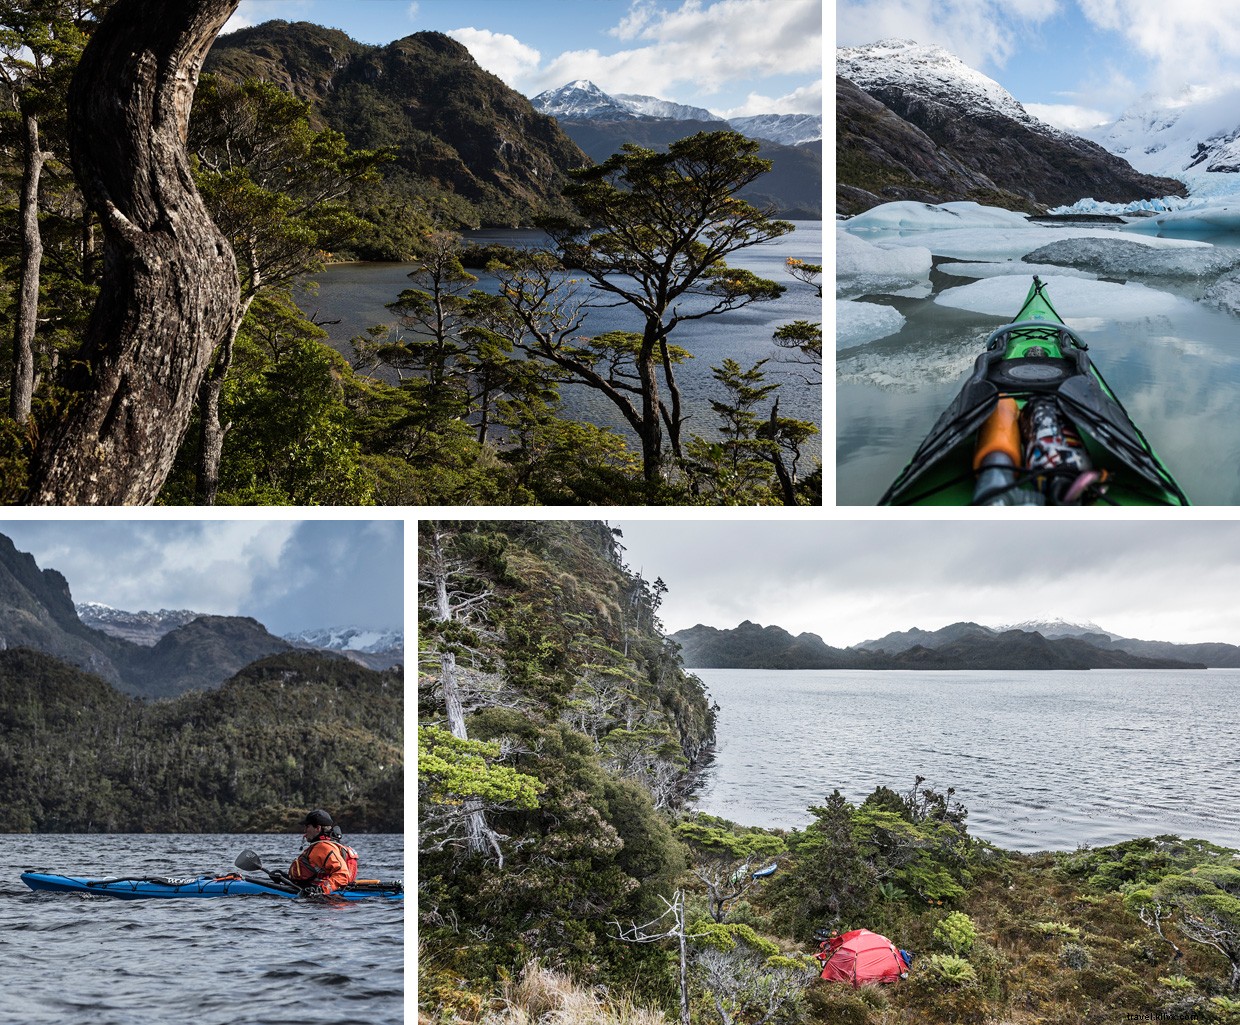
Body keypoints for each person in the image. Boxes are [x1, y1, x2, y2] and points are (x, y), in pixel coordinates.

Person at [287, 809, 358, 895]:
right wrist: (285, 877)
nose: (305, 830)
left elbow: (342, 875)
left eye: (307, 827)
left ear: (318, 828)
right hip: (315, 889)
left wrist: (321, 890)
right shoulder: (326, 845)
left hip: (326, 899)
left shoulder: (324, 847)